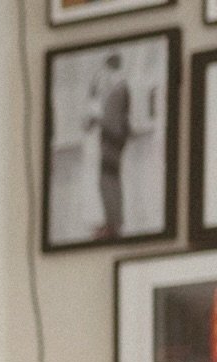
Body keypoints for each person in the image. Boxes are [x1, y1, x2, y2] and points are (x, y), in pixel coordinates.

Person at [88, 51, 131, 241]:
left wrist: (96, 121)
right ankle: (112, 222)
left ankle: (113, 224)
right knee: (109, 180)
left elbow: (112, 119)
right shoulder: (119, 87)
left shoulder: (118, 89)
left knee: (108, 181)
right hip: (114, 137)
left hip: (112, 138)